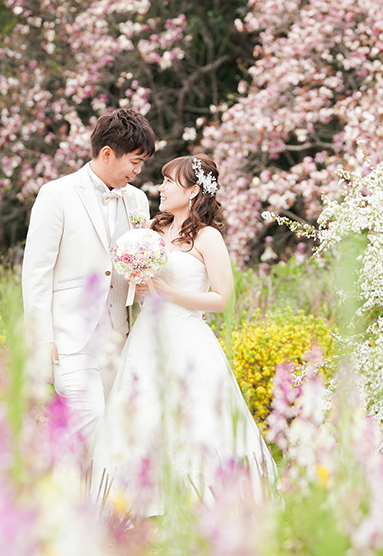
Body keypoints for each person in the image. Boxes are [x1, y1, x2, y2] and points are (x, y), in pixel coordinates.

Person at [92, 154, 277, 514]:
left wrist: (169, 293)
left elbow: (223, 299)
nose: (161, 188)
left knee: (193, 412)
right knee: (142, 408)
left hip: (188, 337)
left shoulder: (208, 237)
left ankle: (202, 495)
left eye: (170, 182)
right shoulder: (152, 231)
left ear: (193, 191)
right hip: (147, 334)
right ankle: (138, 497)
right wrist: (139, 284)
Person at [21, 109, 155, 454]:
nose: (138, 171)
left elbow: (141, 262)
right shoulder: (57, 194)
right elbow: (36, 272)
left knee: (113, 428)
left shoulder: (137, 200)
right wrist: (41, 339)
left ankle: (98, 504)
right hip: (70, 339)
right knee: (89, 417)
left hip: (119, 336)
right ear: (107, 154)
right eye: (135, 161)